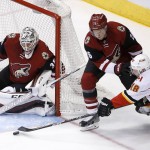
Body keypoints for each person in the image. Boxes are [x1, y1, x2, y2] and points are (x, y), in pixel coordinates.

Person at [80, 13, 143, 131]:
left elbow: (136, 50)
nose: (97, 34)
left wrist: (138, 69)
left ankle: (145, 105)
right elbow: (101, 64)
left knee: (138, 90)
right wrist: (116, 68)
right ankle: (93, 115)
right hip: (105, 60)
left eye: (100, 30)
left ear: (106, 27)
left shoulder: (119, 30)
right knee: (86, 80)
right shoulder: (89, 41)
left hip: (125, 61)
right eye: (94, 31)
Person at [0, 27, 64, 116]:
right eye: (23, 43)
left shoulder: (43, 52)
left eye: (29, 44)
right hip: (10, 72)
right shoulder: (10, 41)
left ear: (35, 41)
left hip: (26, 82)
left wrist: (46, 83)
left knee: (6, 92)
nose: (26, 47)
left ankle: (37, 103)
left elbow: (60, 67)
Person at [97, 54, 150, 119]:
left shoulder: (143, 81)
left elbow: (129, 96)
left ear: (142, 69)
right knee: (144, 107)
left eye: (135, 70)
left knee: (142, 107)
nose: (133, 72)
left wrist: (111, 104)